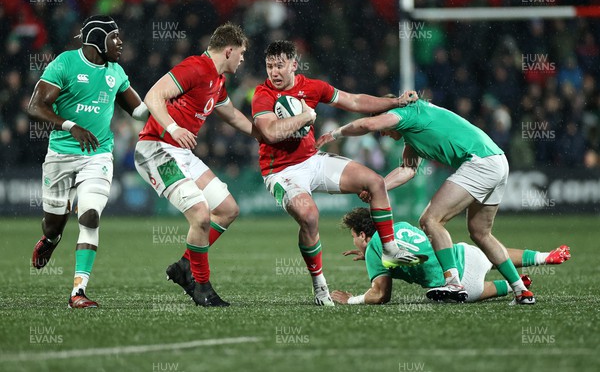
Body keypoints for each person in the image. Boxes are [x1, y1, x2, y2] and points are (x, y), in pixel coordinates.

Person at [251, 40, 424, 306]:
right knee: (309, 216)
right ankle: (320, 286)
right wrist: (306, 117)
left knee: (375, 182)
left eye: (280, 66)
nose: (273, 72)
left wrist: (395, 102)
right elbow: (270, 132)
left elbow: (354, 101)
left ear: (294, 65)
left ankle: (390, 250)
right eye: (269, 66)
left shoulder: (312, 87)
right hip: (281, 172)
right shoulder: (262, 94)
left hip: (312, 160)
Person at [316, 97, 536, 305]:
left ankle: (453, 283)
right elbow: (407, 169)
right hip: (497, 161)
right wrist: (378, 186)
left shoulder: (403, 115)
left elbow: (366, 125)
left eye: (382, 127)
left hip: (479, 162)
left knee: (430, 220)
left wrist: (335, 134)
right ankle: (521, 291)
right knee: (480, 233)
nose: (382, 134)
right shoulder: (412, 133)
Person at [28, 15, 149, 308]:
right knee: (53, 227)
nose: (120, 43)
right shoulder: (66, 63)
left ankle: (78, 292)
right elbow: (35, 106)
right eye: (115, 37)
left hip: (98, 155)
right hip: (60, 154)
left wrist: (173, 104)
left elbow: (141, 112)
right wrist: (70, 125)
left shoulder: (116, 72)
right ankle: (51, 241)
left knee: (90, 214)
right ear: (96, 38)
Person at [134, 23, 258, 307]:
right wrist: (174, 127)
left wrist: (266, 137)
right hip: (156, 150)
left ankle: (184, 266)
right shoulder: (196, 67)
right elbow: (154, 96)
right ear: (229, 50)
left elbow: (233, 116)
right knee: (201, 215)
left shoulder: (217, 80)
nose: (242, 60)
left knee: (227, 210)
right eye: (241, 53)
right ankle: (202, 288)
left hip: (181, 153)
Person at [332, 208, 570, 304]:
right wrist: (375, 258)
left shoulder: (375, 247)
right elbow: (416, 254)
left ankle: (509, 286)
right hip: (467, 254)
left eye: (353, 236)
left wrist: (352, 299)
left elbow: (381, 294)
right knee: (494, 253)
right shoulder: (399, 225)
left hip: (461, 286)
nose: (353, 241)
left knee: (449, 294)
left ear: (363, 235)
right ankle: (542, 257)